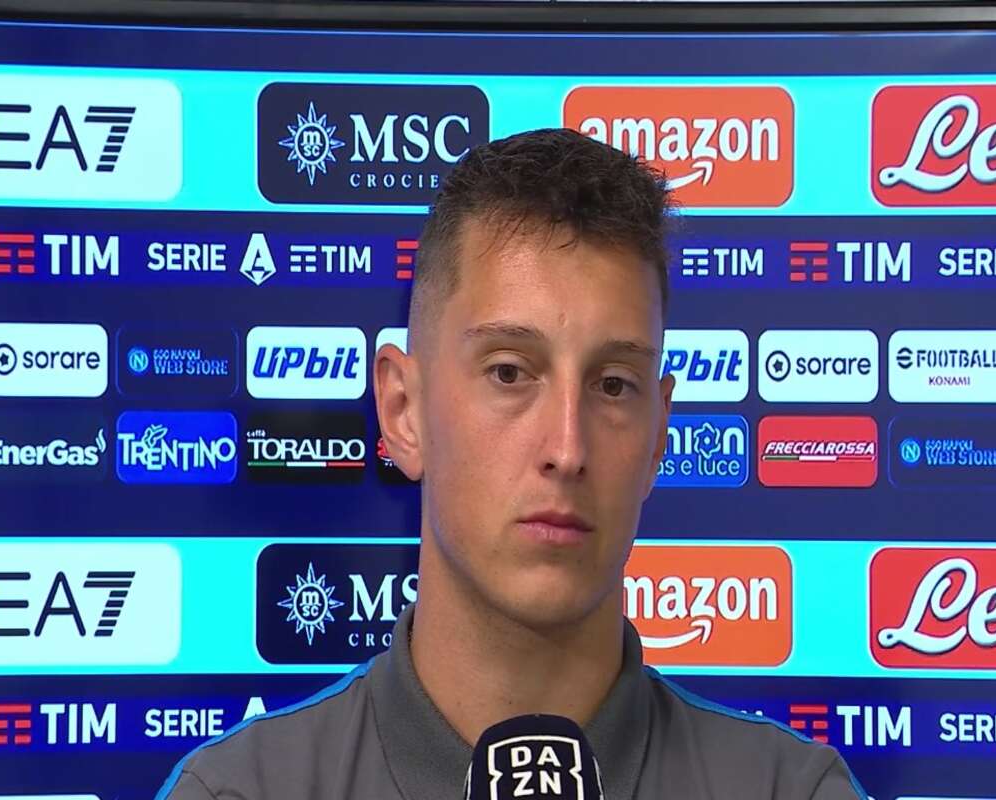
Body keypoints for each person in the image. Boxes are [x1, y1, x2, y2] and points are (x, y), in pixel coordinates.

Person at [155, 128, 867, 800]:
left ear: (658, 436)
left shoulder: (790, 790)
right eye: (509, 372)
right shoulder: (241, 791)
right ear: (403, 411)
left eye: (613, 385)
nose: (567, 450)